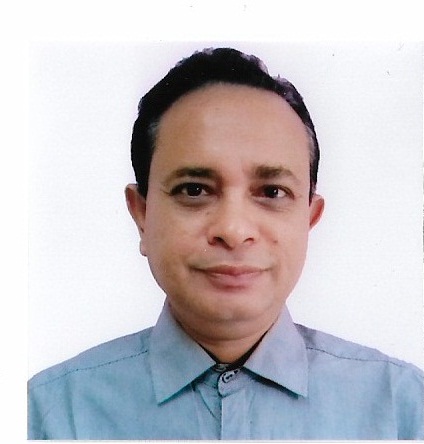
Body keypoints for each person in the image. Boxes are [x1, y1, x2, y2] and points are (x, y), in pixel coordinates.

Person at [28, 47, 423, 440]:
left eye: (272, 191)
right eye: (194, 189)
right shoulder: (48, 414)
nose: (233, 230)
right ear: (142, 214)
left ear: (309, 217)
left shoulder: (403, 409)